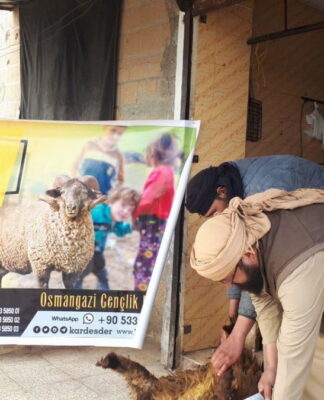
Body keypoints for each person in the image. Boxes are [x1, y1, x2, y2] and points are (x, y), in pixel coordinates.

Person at [185, 155, 324, 364]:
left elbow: (254, 272)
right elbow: (233, 259)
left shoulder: (262, 190)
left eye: (214, 212)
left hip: (315, 244)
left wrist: (238, 335)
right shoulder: (231, 183)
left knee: (300, 340)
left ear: (221, 191)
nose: (217, 220)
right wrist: (232, 317)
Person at [190, 188, 324, 400]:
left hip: (312, 266)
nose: (228, 287)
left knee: (298, 373)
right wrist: (271, 368)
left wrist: (281, 380)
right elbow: (264, 302)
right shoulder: (251, 233)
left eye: (229, 278)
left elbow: (292, 356)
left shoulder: (297, 271)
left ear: (248, 255)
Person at [133, 133, 181, 291]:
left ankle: (139, 296)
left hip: (153, 223)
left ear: (152, 153)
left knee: (145, 265)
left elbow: (147, 200)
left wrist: (134, 214)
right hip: (157, 222)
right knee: (148, 259)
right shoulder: (167, 172)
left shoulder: (161, 172)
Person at [75, 185, 140, 290]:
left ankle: (104, 296)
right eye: (123, 205)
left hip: (97, 252)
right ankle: (73, 297)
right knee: (77, 277)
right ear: (111, 201)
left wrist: (133, 226)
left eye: (130, 210)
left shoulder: (115, 223)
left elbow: (120, 231)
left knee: (102, 275)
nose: (125, 212)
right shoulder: (96, 212)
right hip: (80, 252)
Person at [72, 125, 126, 194]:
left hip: (102, 195)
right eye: (113, 130)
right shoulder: (89, 145)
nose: (115, 136)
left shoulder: (118, 156)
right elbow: (74, 165)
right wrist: (76, 184)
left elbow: (120, 180)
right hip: (82, 191)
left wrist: (111, 194)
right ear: (105, 128)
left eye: (120, 133)